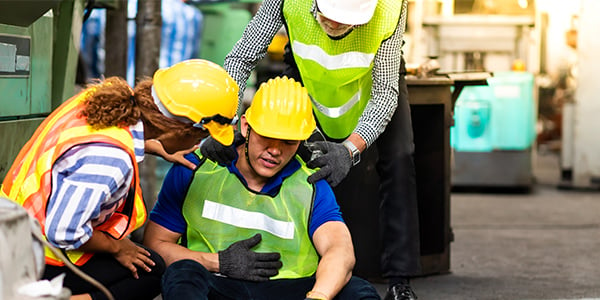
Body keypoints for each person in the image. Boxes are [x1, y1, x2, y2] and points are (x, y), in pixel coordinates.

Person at [204, 0, 420, 299]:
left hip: (371, 78)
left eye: (345, 21)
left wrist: (349, 150)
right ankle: (295, 264)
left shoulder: (389, 7)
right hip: (307, 69)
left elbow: (384, 93)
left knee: (400, 156)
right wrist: (222, 121)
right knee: (295, 160)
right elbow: (241, 57)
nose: (335, 26)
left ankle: (400, 281)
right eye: (329, 17)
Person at [0, 59, 239, 300]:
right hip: (30, 255)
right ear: (181, 129)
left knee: (146, 263)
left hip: (11, 227)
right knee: (150, 273)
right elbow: (64, 231)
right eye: (202, 136)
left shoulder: (105, 96)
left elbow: (90, 146)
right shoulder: (110, 159)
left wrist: (154, 146)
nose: (198, 145)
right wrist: (117, 247)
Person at [142, 76, 381, 300]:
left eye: (288, 142)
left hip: (291, 291)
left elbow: (340, 251)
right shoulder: (195, 168)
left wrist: (318, 296)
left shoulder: (311, 183)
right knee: (183, 275)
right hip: (219, 284)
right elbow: (156, 245)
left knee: (358, 291)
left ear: (301, 141)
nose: (275, 151)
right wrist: (218, 262)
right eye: (267, 136)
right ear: (246, 127)